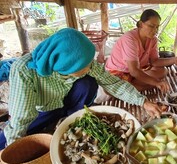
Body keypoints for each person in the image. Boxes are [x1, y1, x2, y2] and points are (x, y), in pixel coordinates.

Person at [0, 28, 162, 149]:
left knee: (88, 83)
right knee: (9, 141)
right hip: (39, 111)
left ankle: (72, 117)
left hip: (65, 102)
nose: (90, 67)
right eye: (83, 66)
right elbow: (20, 119)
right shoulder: (25, 71)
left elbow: (113, 83)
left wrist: (144, 102)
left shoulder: (85, 64)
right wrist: (15, 150)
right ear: (65, 65)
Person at [105, 9, 177, 92]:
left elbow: (154, 61)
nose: (155, 30)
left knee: (162, 71)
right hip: (119, 71)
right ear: (141, 24)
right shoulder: (130, 38)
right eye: (151, 26)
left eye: (157, 27)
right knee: (113, 88)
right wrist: (156, 83)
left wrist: (174, 60)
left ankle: (134, 86)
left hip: (136, 71)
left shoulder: (153, 39)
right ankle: (138, 86)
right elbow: (134, 71)